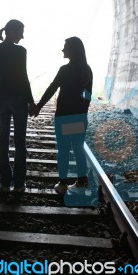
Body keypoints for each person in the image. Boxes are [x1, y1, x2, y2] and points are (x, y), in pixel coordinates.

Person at [34, 37, 93, 194]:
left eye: (65, 47)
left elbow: (52, 88)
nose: (63, 50)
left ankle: (62, 184)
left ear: (73, 50)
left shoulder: (65, 70)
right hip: (79, 116)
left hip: (64, 115)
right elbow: (88, 95)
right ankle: (81, 182)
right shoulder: (87, 69)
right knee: (78, 148)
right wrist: (82, 112)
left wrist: (38, 106)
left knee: (64, 150)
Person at [0, 19, 35, 193]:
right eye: (21, 32)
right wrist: (31, 100)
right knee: (20, 143)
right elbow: (23, 77)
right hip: (19, 100)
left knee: (3, 143)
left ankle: (5, 183)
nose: (23, 36)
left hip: (2, 99)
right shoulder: (21, 51)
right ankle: (19, 185)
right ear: (12, 32)